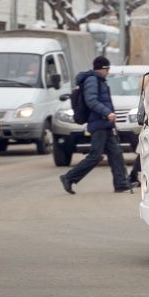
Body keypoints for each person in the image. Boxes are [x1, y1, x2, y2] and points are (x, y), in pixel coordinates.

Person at [59, 56, 136, 194]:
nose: (108, 72)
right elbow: (91, 100)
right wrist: (107, 113)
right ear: (102, 68)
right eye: (107, 69)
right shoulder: (92, 80)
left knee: (116, 154)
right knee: (95, 156)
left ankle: (121, 183)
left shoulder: (98, 80)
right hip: (99, 124)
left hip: (104, 124)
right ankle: (69, 177)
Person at [127, 74, 149, 186]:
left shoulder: (145, 90)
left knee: (142, 152)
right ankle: (133, 175)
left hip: (148, 122)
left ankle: (133, 175)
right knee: (143, 152)